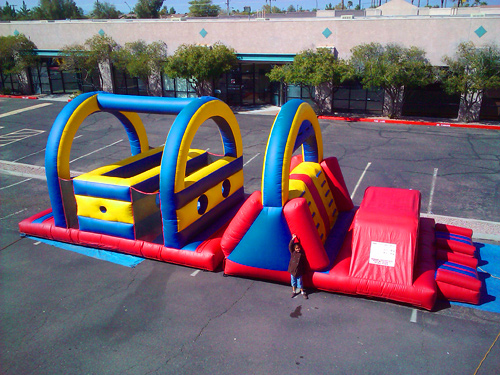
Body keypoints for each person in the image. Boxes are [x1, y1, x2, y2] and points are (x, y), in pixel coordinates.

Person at [288, 234, 308, 299]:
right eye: (296, 248)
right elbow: (290, 246)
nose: (298, 249)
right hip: (293, 270)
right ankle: (293, 291)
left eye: (298, 248)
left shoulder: (301, 254)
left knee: (300, 282)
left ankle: (302, 292)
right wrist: (293, 239)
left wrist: (303, 271)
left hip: (299, 271)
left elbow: (303, 263)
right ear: (294, 249)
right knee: (293, 282)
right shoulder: (293, 253)